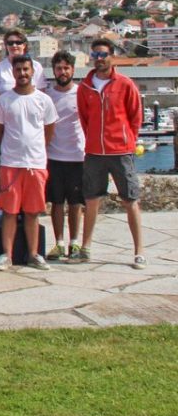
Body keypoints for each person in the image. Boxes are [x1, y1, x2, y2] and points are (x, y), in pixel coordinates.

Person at [77, 39, 146, 269]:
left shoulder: (125, 84)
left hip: (121, 151)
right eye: (95, 54)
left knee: (130, 200)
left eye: (103, 54)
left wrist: (127, 139)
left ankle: (139, 251)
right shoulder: (85, 87)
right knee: (91, 199)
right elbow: (84, 119)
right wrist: (93, 140)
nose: (99, 58)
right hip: (95, 152)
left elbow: (135, 116)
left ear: (112, 56)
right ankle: (85, 247)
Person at [0, 55, 58, 271]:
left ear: (32, 71)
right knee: (9, 212)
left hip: (36, 164)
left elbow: (48, 130)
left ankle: (33, 254)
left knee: (32, 212)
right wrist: (6, 155)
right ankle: (7, 255)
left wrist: (37, 152)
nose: (22, 73)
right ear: (13, 72)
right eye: (18, 69)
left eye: (26, 69)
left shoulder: (44, 100)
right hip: (11, 163)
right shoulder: (4, 101)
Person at [43, 51, 86, 261]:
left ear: (73, 70)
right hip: (53, 156)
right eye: (59, 68)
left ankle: (74, 242)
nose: (63, 72)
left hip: (77, 156)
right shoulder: (48, 95)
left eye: (66, 68)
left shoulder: (81, 93)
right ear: (54, 71)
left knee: (76, 203)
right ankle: (59, 243)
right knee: (57, 202)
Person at [0, 29, 47, 104]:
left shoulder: (36, 66)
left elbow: (41, 92)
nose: (14, 45)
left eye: (18, 42)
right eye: (10, 43)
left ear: (24, 45)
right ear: (6, 46)